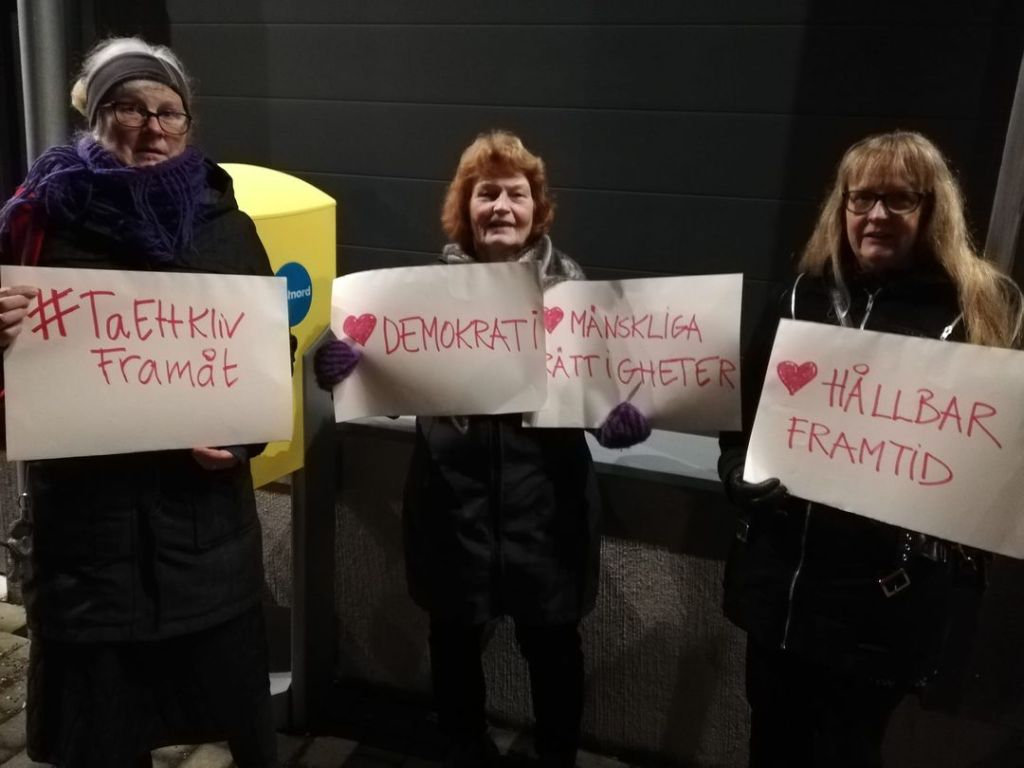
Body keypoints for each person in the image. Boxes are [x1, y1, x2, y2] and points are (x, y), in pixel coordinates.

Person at [315, 130, 649, 767]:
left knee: (554, 651)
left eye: (515, 194)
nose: (501, 207)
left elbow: (603, 392)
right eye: (486, 193)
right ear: (464, 207)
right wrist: (341, 368)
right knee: (454, 644)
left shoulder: (575, 292)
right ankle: (464, 752)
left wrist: (616, 420)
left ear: (537, 207)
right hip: (453, 511)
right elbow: (386, 381)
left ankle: (556, 759)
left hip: (547, 513)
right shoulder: (419, 296)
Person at [0, 37, 277, 767]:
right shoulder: (36, 224)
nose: (152, 127)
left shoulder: (226, 226)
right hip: (88, 546)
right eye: (129, 107)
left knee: (225, 712)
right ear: (94, 117)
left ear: (187, 123)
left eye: (169, 111)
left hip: (203, 536)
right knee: (103, 737)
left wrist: (241, 439)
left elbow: (264, 356)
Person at [718, 130, 1024, 767]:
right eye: (861, 198)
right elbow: (740, 425)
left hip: (884, 603)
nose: (876, 215)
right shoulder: (797, 297)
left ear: (933, 209)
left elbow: (987, 466)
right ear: (842, 206)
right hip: (783, 584)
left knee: (848, 751)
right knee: (769, 743)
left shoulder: (972, 315)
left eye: (899, 199)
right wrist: (736, 472)